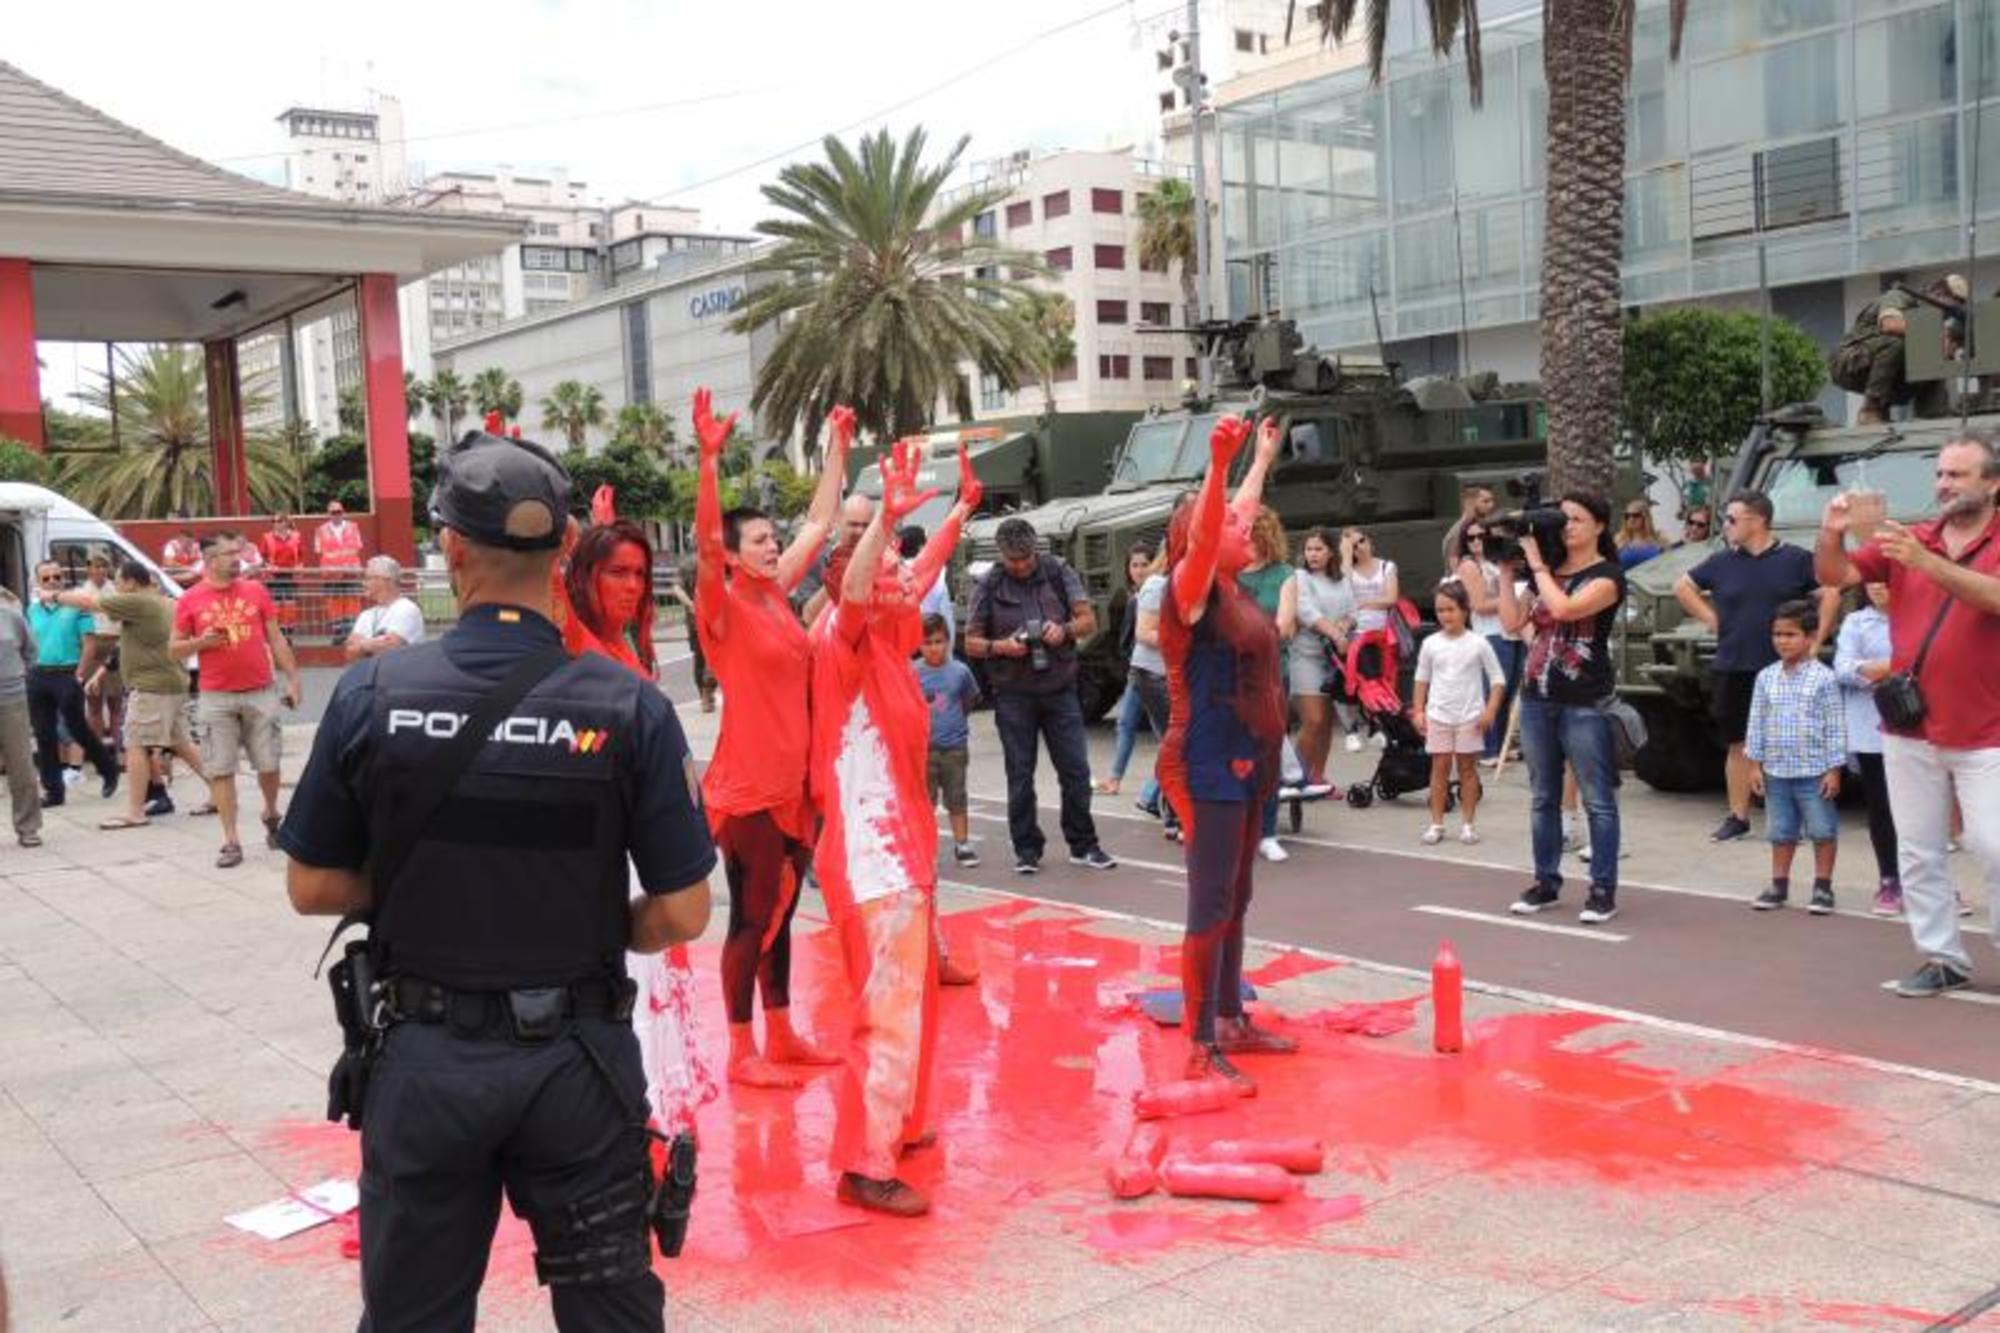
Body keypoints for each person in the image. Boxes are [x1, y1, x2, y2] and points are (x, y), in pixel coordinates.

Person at [280, 427, 715, 1332]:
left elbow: (313, 887)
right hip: (579, 1068)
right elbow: (683, 910)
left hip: (427, 1064)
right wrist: (608, 923)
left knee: (414, 1317)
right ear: (564, 548)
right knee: (611, 1314)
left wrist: (412, 882)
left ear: (449, 547)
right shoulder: (628, 705)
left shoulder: (373, 694)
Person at [807, 441, 978, 1217]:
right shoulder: (841, 640)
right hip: (871, 859)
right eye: (886, 577)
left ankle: (901, 1125)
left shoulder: (889, 636)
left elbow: (921, 572)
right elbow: (855, 586)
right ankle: (864, 1162)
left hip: (902, 852)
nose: (901, 586)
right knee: (886, 1009)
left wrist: (958, 513)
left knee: (914, 1005)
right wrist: (880, 521)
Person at [694, 389, 852, 1087]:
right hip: (749, 788)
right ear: (733, 555)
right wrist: (707, 461)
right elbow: (703, 545)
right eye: (758, 540)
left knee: (782, 912)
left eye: (771, 538)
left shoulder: (776, 592)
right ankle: (741, 1049)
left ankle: (781, 1034)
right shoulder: (721, 607)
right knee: (751, 916)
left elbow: (822, 519)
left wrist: (840, 439)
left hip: (794, 786)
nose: (773, 545)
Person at [1814, 430, 2000, 998]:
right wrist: (1831, 533)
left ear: (1992, 484)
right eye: (1940, 473)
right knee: (1917, 850)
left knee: (1994, 845)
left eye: (1957, 475)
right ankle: (1941, 957)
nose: (1943, 484)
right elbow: (1835, 576)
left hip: (1985, 729)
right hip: (1909, 725)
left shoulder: (1928, 547)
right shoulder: (1910, 539)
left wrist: (1927, 562)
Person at [562, 504, 718, 1141]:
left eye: (639, 573)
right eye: (615, 573)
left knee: (660, 980)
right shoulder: (576, 637)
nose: (630, 586)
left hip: (648, 839)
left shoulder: (630, 642)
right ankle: (636, 1118)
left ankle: (658, 1110)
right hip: (611, 844)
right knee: (634, 987)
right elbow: (554, 568)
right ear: (584, 577)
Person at [1157, 414, 1295, 1088]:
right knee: (1210, 904)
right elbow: (1213, 528)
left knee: (1236, 896)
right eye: (1234, 525)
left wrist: (1258, 458)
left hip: (1247, 758)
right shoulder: (1189, 594)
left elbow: (1231, 513)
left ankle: (1232, 1015)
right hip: (1207, 759)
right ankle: (1199, 1039)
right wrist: (1216, 465)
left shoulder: (1234, 587)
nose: (1249, 525)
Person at [1675, 491, 1836, 843]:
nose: (1726, 527)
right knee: (1739, 742)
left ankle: (1803, 815)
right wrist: (1712, 620)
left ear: (1758, 520)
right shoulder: (1721, 562)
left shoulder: (1796, 559)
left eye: (1732, 519)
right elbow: (1683, 586)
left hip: (1785, 667)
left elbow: (1830, 591)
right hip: (1734, 663)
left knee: (1794, 737)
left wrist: (1817, 639)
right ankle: (1738, 815)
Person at [1498, 492, 1627, 924]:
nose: (1567, 526)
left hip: (1585, 699)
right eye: (1563, 519)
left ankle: (1603, 890)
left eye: (1577, 519)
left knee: (1597, 800)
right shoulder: (1547, 572)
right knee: (1542, 797)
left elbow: (1566, 608)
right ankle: (1546, 882)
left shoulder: (1608, 576)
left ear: (1599, 526)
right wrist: (1504, 570)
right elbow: (1512, 623)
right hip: (1537, 695)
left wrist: (1536, 565)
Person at [964, 516, 1115, 874]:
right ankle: (1027, 849)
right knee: (1020, 775)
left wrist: (1061, 630)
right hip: (1013, 694)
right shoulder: (988, 584)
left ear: (1036, 550)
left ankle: (1084, 844)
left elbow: (1088, 620)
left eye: (1026, 558)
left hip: (1060, 689)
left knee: (1076, 771)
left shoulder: (1057, 571)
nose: (1020, 565)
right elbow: (970, 641)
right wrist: (1002, 646)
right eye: (1013, 560)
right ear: (1001, 555)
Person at [169, 535, 302, 868]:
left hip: (260, 690)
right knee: (221, 768)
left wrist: (293, 679)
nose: (238, 558)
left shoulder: (256, 591)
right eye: (230, 553)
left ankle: (271, 812)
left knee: (269, 763)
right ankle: (231, 840)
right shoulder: (189, 599)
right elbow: (174, 649)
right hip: (216, 696)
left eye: (238, 552)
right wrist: (202, 641)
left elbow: (275, 636)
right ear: (211, 559)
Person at [57, 561, 205, 830]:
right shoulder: (167, 602)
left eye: (119, 581)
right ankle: (221, 792)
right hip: (171, 683)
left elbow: (89, 602)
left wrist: (53, 595)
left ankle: (135, 811)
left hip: (152, 687)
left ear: (132, 583)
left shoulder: (139, 602)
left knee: (135, 745)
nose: (116, 586)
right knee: (182, 743)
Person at [1744, 599, 1845, 914]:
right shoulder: (1766, 677)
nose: (1782, 641)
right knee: (1780, 831)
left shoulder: (1824, 678)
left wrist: (1834, 769)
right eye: (1777, 634)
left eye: (1790, 635)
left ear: (1811, 637)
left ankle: (1823, 887)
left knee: (1823, 830)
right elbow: (1756, 722)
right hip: (1776, 772)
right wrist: (1754, 765)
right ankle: (1778, 884)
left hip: (1814, 771)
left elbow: (1835, 725)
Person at [1414, 581, 1505, 846]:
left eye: (1450, 609)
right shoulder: (1430, 643)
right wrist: (1419, 710)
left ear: (1465, 610)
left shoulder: (1479, 643)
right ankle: (1436, 823)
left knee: (1467, 770)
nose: (1445, 615)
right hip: (1438, 715)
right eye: (1440, 610)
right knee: (1439, 769)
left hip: (1470, 717)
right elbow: (1422, 678)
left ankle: (1468, 824)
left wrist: (1490, 710)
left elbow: (1498, 679)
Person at [25, 561, 120, 808]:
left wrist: (79, 675)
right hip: (38, 674)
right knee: (44, 734)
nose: (53, 580)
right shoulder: (33, 609)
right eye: (46, 578)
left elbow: (89, 641)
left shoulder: (76, 604)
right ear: (37, 582)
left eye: (57, 576)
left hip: (67, 673)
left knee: (77, 728)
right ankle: (54, 790)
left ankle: (108, 769)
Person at [1835, 582, 1904, 916]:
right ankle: (1889, 879)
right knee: (1880, 807)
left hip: (1916, 727)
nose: (1878, 587)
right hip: (1870, 730)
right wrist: (1894, 667)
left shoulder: (1917, 615)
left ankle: (1939, 884)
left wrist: (1875, 667)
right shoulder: (1856, 622)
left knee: (1922, 811)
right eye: (1872, 580)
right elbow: (1843, 668)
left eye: (1885, 578)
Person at [1237, 501, 1297, 863]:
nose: (1243, 537)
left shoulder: (1284, 574)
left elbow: (1285, 625)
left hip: (1272, 675)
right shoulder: (1228, 574)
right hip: (1232, 676)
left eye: (1249, 531)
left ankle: (1268, 832)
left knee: (1267, 754)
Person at [1291, 528, 1357, 788]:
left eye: (1319, 549)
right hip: (1306, 656)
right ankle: (1294, 776)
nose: (1313, 554)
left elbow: (1354, 612)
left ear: (1331, 552)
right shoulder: (1299, 577)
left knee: (1327, 723)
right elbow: (1306, 611)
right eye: (1309, 549)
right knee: (1314, 720)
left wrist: (1344, 625)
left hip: (1334, 661)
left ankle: (1318, 777)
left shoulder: (1342, 580)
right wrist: (1335, 634)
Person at [1094, 544, 1160, 797]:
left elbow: (1130, 641)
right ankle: (1115, 779)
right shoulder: (1135, 598)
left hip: (1149, 672)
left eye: (1144, 564)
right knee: (1127, 724)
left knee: (1161, 731)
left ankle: (1154, 788)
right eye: (1134, 565)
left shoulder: (1148, 596)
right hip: (1138, 672)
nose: (1139, 570)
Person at [1454, 522, 1522, 764]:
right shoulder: (1470, 565)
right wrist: (1513, 598)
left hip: (1514, 630)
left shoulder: (1498, 561)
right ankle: (1486, 748)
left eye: (1481, 536)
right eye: (1470, 538)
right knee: (1493, 690)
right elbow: (1479, 605)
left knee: (1509, 689)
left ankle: (1501, 743)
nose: (1476, 541)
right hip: (1490, 633)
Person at [918, 612, 981, 868]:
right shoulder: (912, 673)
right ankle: (924, 849)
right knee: (925, 803)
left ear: (948, 641)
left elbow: (969, 701)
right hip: (924, 750)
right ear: (919, 644)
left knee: (957, 797)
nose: (934, 647)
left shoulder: (960, 672)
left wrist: (956, 727)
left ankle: (962, 844)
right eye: (928, 642)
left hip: (954, 749)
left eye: (939, 641)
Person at [1340, 526, 1400, 749]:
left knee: (1381, 679)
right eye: (1352, 546)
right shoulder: (1347, 569)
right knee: (1360, 681)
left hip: (1382, 633)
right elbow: (1344, 592)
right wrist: (1345, 557)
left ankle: (1378, 726)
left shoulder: (1386, 566)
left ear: (1370, 541)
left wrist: (1364, 603)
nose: (1358, 548)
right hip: (1356, 632)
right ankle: (1353, 729)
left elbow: (1391, 598)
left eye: (1361, 541)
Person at [0, 594, 42, 846]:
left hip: (11, 699)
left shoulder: (11, 616)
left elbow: (31, 652)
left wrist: (18, 676)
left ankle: (28, 827)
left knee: (21, 766)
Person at [76, 553, 126, 753]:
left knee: (116, 702)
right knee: (94, 704)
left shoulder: (116, 590)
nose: (99, 571)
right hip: (91, 646)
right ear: (88, 569)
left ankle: (118, 749)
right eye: (95, 567)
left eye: (103, 566)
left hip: (114, 644)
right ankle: (96, 750)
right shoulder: (81, 592)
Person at [344, 556, 426, 662]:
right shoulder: (366, 615)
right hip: (370, 676)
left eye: (368, 578)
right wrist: (377, 642)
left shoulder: (407, 609)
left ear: (385, 579)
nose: (363, 583)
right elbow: (350, 653)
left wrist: (361, 644)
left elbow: (392, 647)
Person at [902, 525, 955, 646]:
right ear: (921, 547)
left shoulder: (893, 573)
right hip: (931, 645)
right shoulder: (938, 574)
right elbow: (946, 617)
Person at [1442, 483, 1497, 576]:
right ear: (1469, 502)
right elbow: (1455, 571)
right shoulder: (1456, 534)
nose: (1491, 505)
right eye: (1486, 501)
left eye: (1492, 500)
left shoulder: (1489, 527)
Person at [260, 513, 305, 607]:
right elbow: (262, 556)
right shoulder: (267, 537)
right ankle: (276, 622)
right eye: (274, 521)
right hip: (274, 575)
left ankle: (289, 622)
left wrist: (299, 566)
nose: (276, 524)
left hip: (291, 574)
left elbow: (301, 554)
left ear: (286, 523)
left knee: (290, 603)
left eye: (279, 521)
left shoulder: (296, 536)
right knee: (275, 604)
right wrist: (268, 566)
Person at [1615, 501, 1665, 569]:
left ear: (1645, 517)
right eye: (1627, 516)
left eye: (1636, 515)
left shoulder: (1659, 539)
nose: (1631, 519)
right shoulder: (1619, 541)